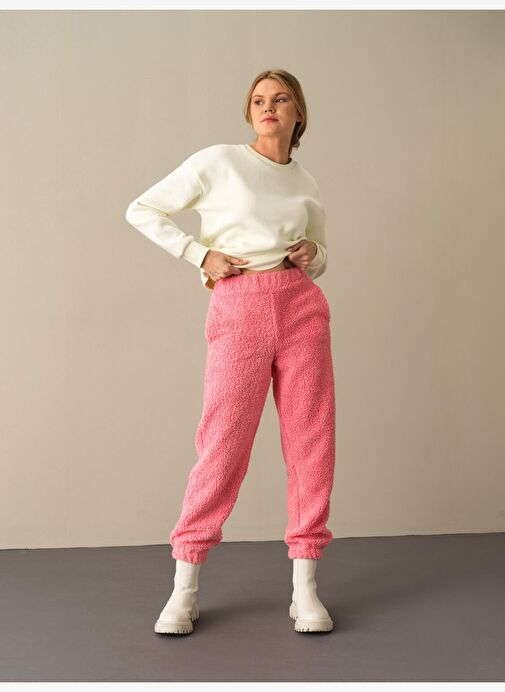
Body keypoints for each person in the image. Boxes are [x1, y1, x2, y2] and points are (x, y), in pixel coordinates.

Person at [125, 69, 336, 635]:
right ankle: (184, 588)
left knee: (312, 441)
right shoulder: (219, 162)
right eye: (258, 100)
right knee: (223, 442)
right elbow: (142, 209)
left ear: (298, 113)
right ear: (249, 112)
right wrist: (199, 255)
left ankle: (305, 588)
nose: (268, 107)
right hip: (239, 305)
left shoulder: (306, 182)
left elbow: (320, 255)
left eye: (280, 99)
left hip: (301, 308)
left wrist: (313, 254)